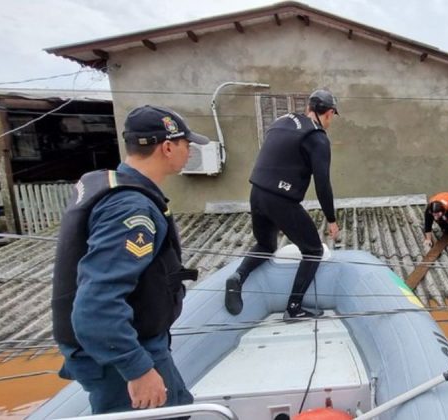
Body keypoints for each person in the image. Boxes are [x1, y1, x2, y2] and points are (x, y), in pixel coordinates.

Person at [51, 105, 210, 415]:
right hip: (120, 353)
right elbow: (96, 303)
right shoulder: (130, 209)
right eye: (186, 143)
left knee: (179, 407)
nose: (190, 150)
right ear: (167, 147)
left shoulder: (112, 185)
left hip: (128, 343)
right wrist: (136, 369)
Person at [225, 89, 340, 319]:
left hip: (257, 192)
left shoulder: (282, 121)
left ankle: (238, 277)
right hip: (281, 199)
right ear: (328, 113)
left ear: (308, 107)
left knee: (266, 245)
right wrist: (331, 219)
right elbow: (322, 184)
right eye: (332, 116)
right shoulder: (317, 138)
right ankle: (294, 308)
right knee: (313, 250)